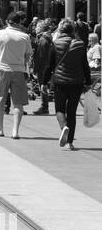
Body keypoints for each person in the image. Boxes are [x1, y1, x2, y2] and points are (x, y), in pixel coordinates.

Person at [47, 18, 92, 151]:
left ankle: (63, 127)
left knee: (59, 109)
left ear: (60, 29)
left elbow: (49, 65)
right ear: (73, 30)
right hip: (77, 82)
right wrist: (88, 83)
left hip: (60, 82)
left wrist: (44, 82)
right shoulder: (80, 44)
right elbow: (85, 65)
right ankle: (70, 142)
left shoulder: (55, 44)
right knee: (71, 111)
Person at [0, 12, 32, 139]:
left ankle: (0, 128)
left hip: (2, 69)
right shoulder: (25, 36)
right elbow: (27, 56)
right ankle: (15, 131)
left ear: (7, 22)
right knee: (18, 103)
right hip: (19, 70)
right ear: (20, 23)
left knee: (0, 99)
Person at [30, 20, 55, 115]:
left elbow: (41, 57)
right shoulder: (45, 38)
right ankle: (44, 106)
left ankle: (44, 106)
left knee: (43, 87)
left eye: (36, 26)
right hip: (46, 66)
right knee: (43, 87)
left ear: (41, 28)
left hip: (43, 68)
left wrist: (36, 69)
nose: (35, 28)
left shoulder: (43, 40)